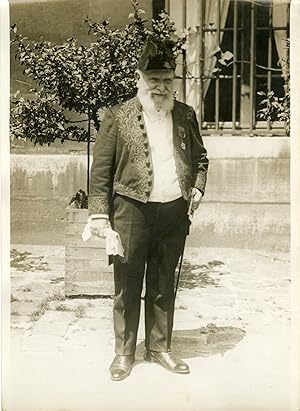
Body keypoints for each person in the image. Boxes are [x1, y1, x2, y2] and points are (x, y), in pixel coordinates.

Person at [88, 36, 209, 381]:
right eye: (153, 79)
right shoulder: (117, 116)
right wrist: (100, 214)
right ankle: (124, 353)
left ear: (173, 82)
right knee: (127, 281)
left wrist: (197, 188)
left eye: (167, 80)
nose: (160, 87)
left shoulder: (185, 115)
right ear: (139, 78)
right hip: (130, 211)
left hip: (172, 211)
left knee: (162, 281)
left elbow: (201, 158)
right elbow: (101, 171)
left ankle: (159, 347)